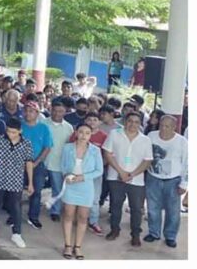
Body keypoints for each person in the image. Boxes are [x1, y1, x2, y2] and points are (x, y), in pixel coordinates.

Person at [0, 118, 34, 248]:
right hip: (0, 178)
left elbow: (29, 163)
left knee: (16, 207)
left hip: (16, 180)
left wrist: (30, 182)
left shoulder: (26, 144)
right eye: (9, 131)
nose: (10, 134)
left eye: (14, 132)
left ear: (20, 131)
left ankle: (17, 234)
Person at [102, 112, 152, 246]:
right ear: (125, 121)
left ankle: (135, 234)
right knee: (115, 205)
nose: (133, 124)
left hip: (136, 180)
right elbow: (107, 153)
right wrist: (121, 172)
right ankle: (114, 230)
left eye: (136, 122)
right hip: (115, 176)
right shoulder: (114, 134)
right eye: (130, 121)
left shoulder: (145, 140)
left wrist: (132, 174)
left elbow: (147, 161)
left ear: (140, 123)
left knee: (136, 208)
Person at [59, 123, 104, 259]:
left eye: (87, 133)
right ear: (76, 133)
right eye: (81, 132)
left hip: (86, 186)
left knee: (83, 217)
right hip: (71, 185)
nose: (84, 135)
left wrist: (83, 177)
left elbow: (99, 170)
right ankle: (67, 245)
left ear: (91, 135)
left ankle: (77, 246)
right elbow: (63, 165)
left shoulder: (95, 150)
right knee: (68, 214)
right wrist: (66, 175)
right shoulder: (68, 148)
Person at [144, 115, 188, 248]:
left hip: (173, 181)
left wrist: (184, 183)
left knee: (173, 211)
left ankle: (170, 236)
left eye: (167, 126)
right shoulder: (151, 136)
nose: (163, 128)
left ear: (174, 127)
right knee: (152, 208)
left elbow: (187, 163)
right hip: (153, 178)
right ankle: (154, 232)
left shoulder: (182, 142)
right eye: (161, 125)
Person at [21, 101, 53, 230]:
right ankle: (14, 215)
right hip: (19, 164)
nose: (28, 113)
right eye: (26, 111)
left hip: (37, 164)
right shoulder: (19, 126)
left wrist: (36, 162)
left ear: (37, 113)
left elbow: (47, 147)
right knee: (16, 191)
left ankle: (33, 217)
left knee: (37, 190)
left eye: (32, 111)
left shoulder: (43, 128)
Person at [44, 100, 75, 222]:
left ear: (65, 112)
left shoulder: (68, 127)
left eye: (61, 111)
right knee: (36, 187)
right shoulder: (43, 123)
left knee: (57, 188)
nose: (57, 113)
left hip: (58, 162)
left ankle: (55, 211)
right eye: (55, 110)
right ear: (51, 110)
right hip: (42, 161)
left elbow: (70, 145)